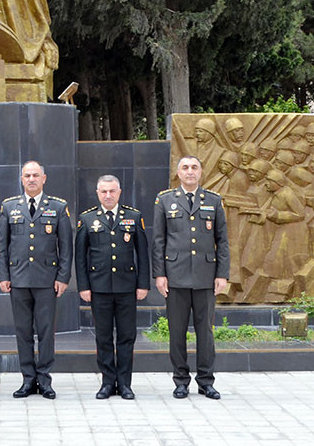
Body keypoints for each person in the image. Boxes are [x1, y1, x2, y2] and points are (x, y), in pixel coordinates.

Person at [152, 155, 229, 400]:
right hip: (175, 277)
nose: (190, 172)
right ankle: (181, 381)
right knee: (176, 332)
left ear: (201, 172)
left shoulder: (214, 201)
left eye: (194, 167)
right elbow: (159, 241)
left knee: (205, 332)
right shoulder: (165, 200)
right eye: (185, 168)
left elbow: (222, 241)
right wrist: (160, 274)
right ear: (178, 172)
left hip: (206, 277)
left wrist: (222, 274)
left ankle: (206, 381)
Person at [0, 161, 73, 400]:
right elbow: (2, 246)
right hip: (18, 280)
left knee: (46, 331)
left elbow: (66, 247)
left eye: (35, 175)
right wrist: (3, 276)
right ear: (21, 179)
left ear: (44, 178)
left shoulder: (58, 207)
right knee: (23, 332)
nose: (31, 179)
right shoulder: (9, 207)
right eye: (27, 175)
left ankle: (45, 379)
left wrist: (62, 277)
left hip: (46, 281)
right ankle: (28, 379)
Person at [75, 175, 149, 400]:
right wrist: (84, 286)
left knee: (127, 336)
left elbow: (142, 254)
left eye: (112, 191)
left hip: (127, 287)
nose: (108, 195)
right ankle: (107, 383)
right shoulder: (87, 219)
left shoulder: (133, 217)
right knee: (103, 337)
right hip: (99, 288)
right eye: (104, 191)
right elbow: (80, 257)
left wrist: (143, 284)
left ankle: (125, 384)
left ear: (119, 192)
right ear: (97, 193)